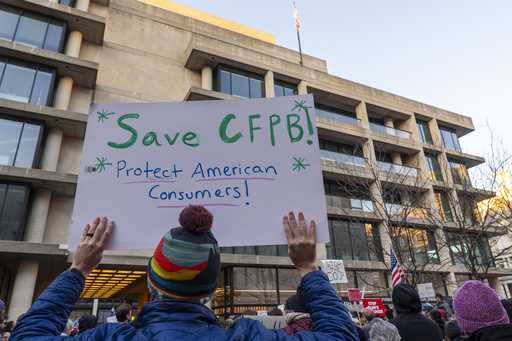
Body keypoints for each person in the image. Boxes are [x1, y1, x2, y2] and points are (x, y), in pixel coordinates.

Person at [10, 207, 358, 341]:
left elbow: (29, 337)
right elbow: (341, 336)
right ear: (209, 291)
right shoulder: (245, 338)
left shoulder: (111, 339)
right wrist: (308, 268)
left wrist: (78, 269)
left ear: (151, 282)